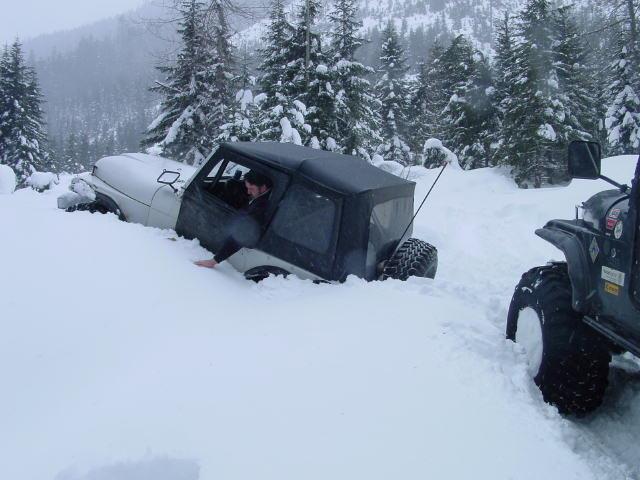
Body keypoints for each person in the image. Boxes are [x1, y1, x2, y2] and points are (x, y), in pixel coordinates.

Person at [194, 170, 272, 269]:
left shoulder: (261, 207)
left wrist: (214, 261)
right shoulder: (263, 196)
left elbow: (241, 235)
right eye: (247, 188)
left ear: (263, 187)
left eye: (251, 189)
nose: (248, 192)